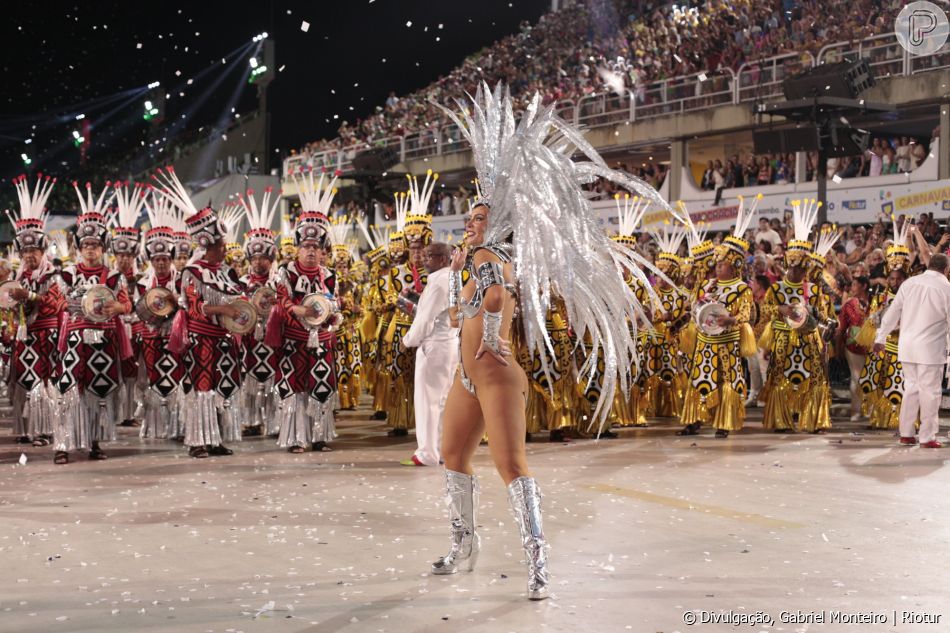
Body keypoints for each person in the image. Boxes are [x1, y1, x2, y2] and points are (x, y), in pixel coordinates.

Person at [431, 84, 677, 600]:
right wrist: (460, 287)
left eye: (480, 217)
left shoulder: (492, 257)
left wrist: (494, 332)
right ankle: (464, 546)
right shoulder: (467, 262)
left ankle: (538, 563)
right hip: (466, 376)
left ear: (496, 223)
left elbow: (496, 298)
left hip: (496, 375)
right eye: (471, 217)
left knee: (511, 465)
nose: (472, 223)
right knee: (452, 455)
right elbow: (460, 314)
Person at [157, 167, 246, 459]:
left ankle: (216, 438)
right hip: (201, 342)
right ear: (207, 244)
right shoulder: (193, 272)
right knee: (202, 389)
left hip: (223, 341)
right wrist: (225, 309)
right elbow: (196, 308)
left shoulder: (226, 271)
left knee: (222, 389)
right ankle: (198, 440)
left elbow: (238, 297)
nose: (225, 249)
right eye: (221, 245)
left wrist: (245, 310)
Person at [55, 183, 133, 465]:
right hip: (76, 342)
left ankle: (94, 442)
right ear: (79, 247)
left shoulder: (113, 277)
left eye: (95, 245)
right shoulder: (66, 274)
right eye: (86, 245)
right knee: (69, 391)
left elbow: (127, 304)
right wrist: (77, 305)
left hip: (104, 341)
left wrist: (117, 306)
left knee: (98, 393)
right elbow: (57, 304)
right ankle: (63, 445)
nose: (90, 250)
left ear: (103, 247)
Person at [266, 168, 341, 453]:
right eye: (306, 246)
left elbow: (335, 303)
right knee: (295, 389)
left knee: (320, 387)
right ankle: (297, 437)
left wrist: (334, 315)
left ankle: (319, 436)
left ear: (323, 250)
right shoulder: (285, 273)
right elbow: (282, 302)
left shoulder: (330, 275)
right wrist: (300, 309)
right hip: (293, 342)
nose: (310, 251)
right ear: (297, 248)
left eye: (316, 247)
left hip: (321, 342)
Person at [678, 196, 757, 438]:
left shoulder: (742, 288)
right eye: (718, 264)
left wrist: (730, 320)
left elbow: (745, 314)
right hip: (704, 342)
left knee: (726, 381)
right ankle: (693, 421)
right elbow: (696, 304)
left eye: (723, 264)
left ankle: (724, 423)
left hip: (726, 342)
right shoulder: (710, 283)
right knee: (700, 379)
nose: (718, 267)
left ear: (734, 265)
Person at [7, 175, 65, 447]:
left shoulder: (53, 275)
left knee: (45, 381)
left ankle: (45, 430)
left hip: (46, 337)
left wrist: (29, 296)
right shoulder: (17, 277)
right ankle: (25, 429)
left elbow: (55, 304)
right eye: (25, 250)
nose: (30, 255)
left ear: (43, 251)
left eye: (34, 250)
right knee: (22, 382)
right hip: (23, 338)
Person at [874, 253, 950, 448]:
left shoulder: (909, 283)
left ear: (929, 265)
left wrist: (880, 337)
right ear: (946, 269)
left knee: (910, 389)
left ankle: (906, 433)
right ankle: (927, 436)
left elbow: (893, 312)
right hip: (931, 349)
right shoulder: (946, 288)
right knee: (930, 393)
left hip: (907, 346)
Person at [399, 241, 458, 467]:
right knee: (441, 401)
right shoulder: (449, 278)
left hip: (435, 346)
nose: (424, 260)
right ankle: (441, 450)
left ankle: (427, 454)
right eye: (424, 256)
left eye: (429, 256)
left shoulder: (439, 283)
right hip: (448, 344)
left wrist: (407, 341)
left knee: (427, 401)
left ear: (443, 259)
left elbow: (425, 320)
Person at [137, 192, 185, 440]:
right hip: (151, 339)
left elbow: (188, 305)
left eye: (165, 258)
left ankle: (177, 427)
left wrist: (176, 300)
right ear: (151, 260)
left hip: (176, 340)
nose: (161, 263)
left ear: (171, 259)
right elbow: (138, 311)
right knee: (154, 381)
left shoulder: (183, 280)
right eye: (156, 259)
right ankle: (156, 427)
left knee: (176, 378)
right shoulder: (143, 282)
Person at [237, 188, 281, 437]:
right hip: (250, 339)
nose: (257, 261)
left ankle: (274, 422)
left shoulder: (278, 280)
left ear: (271, 256)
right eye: (253, 257)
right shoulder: (242, 281)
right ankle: (252, 420)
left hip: (273, 338)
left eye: (262, 256)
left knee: (273, 377)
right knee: (251, 379)